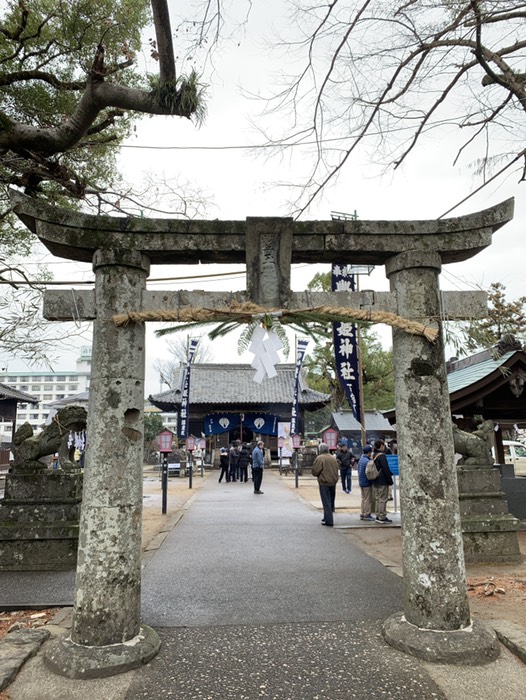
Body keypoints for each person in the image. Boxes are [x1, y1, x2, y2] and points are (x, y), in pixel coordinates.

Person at [311, 442, 339, 527]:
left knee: (326, 501)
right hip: (333, 481)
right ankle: (326, 517)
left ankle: (329, 520)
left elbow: (315, 471)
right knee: (330, 501)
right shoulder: (333, 458)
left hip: (324, 482)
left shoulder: (320, 458)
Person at [371, 438, 394, 523]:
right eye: (383, 445)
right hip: (383, 480)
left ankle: (378, 515)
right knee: (383, 499)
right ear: (381, 445)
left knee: (378, 498)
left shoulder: (374, 455)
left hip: (376, 479)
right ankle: (382, 516)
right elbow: (385, 468)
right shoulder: (382, 456)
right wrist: (390, 480)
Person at [356, 445, 375, 521]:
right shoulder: (367, 461)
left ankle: (363, 512)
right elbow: (369, 472)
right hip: (367, 482)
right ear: (369, 452)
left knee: (363, 498)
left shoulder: (361, 460)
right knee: (367, 499)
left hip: (361, 481)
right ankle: (367, 514)